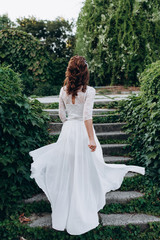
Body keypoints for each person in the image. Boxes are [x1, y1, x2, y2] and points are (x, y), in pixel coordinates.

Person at [29, 55, 145, 235]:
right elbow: (87, 117)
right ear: (85, 72)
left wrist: (68, 122)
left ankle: (67, 206)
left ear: (70, 71)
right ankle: (84, 204)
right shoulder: (89, 91)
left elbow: (61, 115)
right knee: (86, 168)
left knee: (68, 169)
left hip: (68, 131)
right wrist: (91, 139)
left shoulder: (63, 90)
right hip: (83, 133)